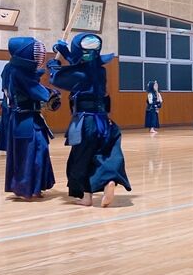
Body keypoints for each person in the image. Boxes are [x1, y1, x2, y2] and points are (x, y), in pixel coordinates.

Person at [48, 33, 132, 207]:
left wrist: (53, 65)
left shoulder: (79, 74)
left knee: (81, 159)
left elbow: (56, 78)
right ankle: (108, 180)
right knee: (100, 154)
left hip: (86, 123)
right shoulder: (99, 70)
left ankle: (87, 197)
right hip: (103, 121)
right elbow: (82, 63)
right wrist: (65, 53)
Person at [1, 37, 60, 200]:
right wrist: (52, 90)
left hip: (25, 118)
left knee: (34, 150)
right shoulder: (17, 72)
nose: (39, 56)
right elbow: (36, 90)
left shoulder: (11, 68)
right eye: (35, 52)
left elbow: (31, 80)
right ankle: (27, 188)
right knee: (33, 151)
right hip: (24, 118)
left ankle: (34, 187)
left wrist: (44, 72)